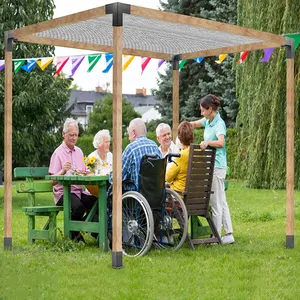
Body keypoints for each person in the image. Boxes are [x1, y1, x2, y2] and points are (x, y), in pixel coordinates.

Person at [190, 94, 234, 244]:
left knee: (216, 202)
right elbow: (195, 124)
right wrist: (185, 125)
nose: (201, 113)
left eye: (203, 110)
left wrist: (207, 142)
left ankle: (215, 237)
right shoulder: (208, 121)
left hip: (217, 167)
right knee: (222, 201)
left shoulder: (219, 123)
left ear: (210, 109)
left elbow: (221, 142)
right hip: (213, 166)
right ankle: (228, 234)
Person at [49, 118, 97, 242]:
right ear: (63, 134)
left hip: (78, 191)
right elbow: (52, 181)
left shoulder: (79, 152)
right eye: (71, 135)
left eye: (76, 135)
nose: (74, 138)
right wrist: (63, 172)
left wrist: (88, 172)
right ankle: (75, 234)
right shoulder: (58, 153)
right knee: (78, 207)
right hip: (63, 194)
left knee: (97, 203)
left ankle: (92, 230)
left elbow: (84, 171)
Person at [110, 118, 161, 192]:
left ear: (133, 133)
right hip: (154, 195)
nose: (128, 138)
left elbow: (117, 177)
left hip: (135, 196)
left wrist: (111, 175)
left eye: (129, 134)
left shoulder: (131, 148)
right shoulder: (155, 146)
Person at [166, 121, 194, 193]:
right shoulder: (200, 152)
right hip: (198, 196)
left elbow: (168, 178)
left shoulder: (181, 156)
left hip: (180, 196)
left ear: (179, 139)